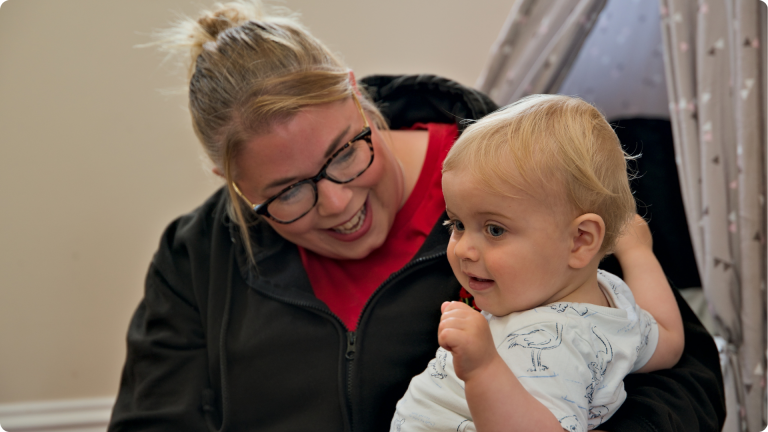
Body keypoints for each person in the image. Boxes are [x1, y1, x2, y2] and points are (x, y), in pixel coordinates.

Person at [108, 1, 725, 431]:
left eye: (345, 153)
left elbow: (685, 377)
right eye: (287, 193)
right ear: (231, 183)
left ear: (356, 93)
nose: (338, 204)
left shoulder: (532, 178)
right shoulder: (195, 258)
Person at [389, 95, 685, 432]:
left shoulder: (542, 346)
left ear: (581, 240)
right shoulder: (612, 298)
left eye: (494, 229)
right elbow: (669, 340)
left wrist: (484, 369)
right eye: (457, 224)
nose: (463, 250)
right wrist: (637, 252)